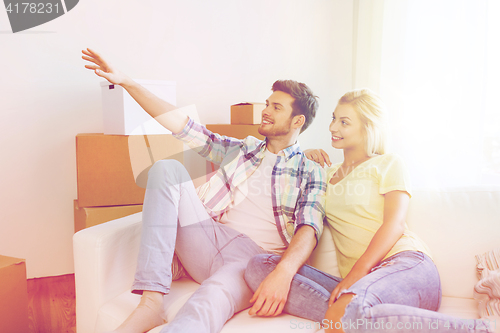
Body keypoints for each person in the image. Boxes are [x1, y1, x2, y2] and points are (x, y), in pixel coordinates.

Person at [81, 48, 326, 333]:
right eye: (268, 103)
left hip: (254, 260)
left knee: (206, 303)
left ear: (298, 122)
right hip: (208, 236)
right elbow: (183, 126)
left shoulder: (309, 170)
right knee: (165, 169)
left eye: (277, 107)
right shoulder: (243, 150)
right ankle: (150, 305)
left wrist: (282, 273)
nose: (266, 111)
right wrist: (128, 82)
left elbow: (309, 227)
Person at [244, 88, 496, 332]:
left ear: (367, 128)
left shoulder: (388, 163)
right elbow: (291, 192)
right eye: (334, 119)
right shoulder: (324, 174)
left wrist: (354, 277)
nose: (332, 127)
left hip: (405, 266)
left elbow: (394, 224)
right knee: (259, 266)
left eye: (344, 122)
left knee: (344, 312)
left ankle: (483, 329)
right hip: (363, 285)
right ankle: (356, 314)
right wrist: (301, 156)